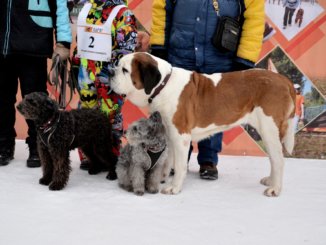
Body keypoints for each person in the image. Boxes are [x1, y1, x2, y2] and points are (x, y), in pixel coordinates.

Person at [137, 0, 265, 180]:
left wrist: (244, 59)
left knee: (213, 110)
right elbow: (161, 7)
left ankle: (208, 161)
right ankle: (176, 160)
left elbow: (255, 19)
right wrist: (159, 45)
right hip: (180, 55)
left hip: (220, 58)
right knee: (175, 112)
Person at [0, 0, 72, 167]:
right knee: (2, 100)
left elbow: (60, 7)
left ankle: (38, 147)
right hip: (2, 48)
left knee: (37, 102)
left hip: (34, 46)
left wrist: (63, 41)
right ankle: (3, 145)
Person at [71, 0, 138, 170]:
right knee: (85, 113)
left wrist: (112, 71)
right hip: (86, 72)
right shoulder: (85, 7)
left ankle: (111, 156)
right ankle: (88, 155)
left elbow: (127, 49)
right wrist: (76, 62)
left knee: (110, 114)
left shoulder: (123, 13)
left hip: (109, 74)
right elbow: (82, 39)